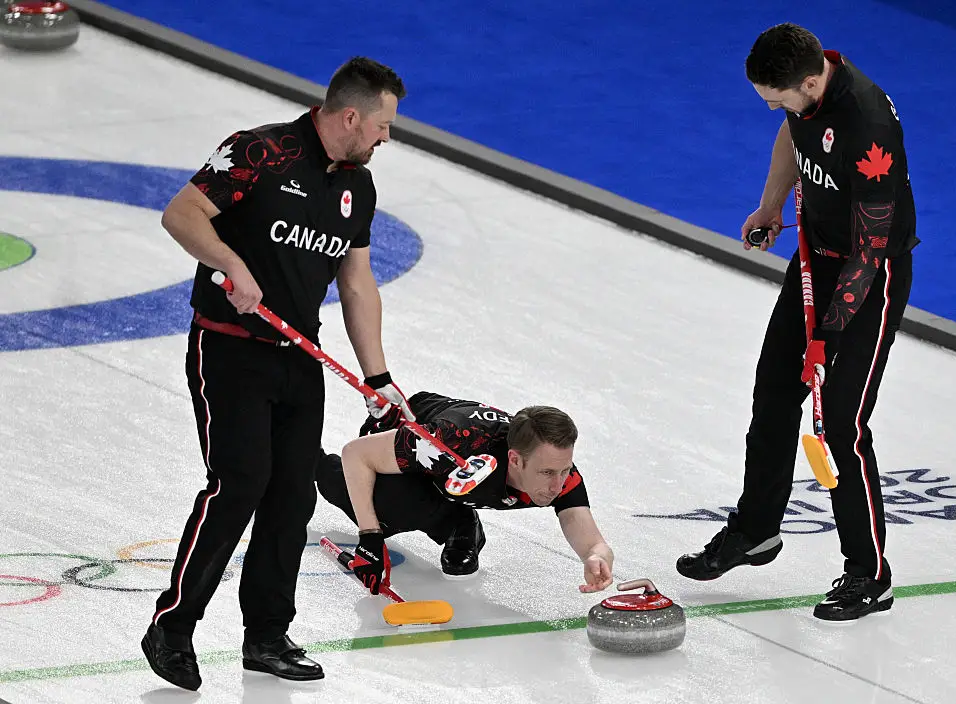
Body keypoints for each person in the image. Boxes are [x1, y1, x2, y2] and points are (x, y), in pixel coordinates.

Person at [142, 57, 416, 691]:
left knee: (291, 497)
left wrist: (378, 377)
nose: (386, 138)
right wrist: (230, 264)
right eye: (382, 126)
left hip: (300, 357)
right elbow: (182, 215)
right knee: (238, 484)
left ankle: (265, 636)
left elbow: (356, 281)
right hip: (230, 349)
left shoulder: (357, 187)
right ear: (351, 117)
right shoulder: (258, 151)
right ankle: (173, 627)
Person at [675, 23, 917, 622]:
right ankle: (756, 530)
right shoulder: (807, 93)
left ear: (810, 82)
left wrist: (827, 336)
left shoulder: (867, 127)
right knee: (774, 393)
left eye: (778, 97)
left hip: (869, 278)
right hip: (816, 259)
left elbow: (873, 252)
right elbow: (793, 134)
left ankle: (869, 573)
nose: (773, 108)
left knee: (842, 425)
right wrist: (771, 205)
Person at [315, 391, 615, 594]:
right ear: (515, 459)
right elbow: (357, 454)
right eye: (548, 473)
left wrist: (595, 558)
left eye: (564, 471)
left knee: (434, 499)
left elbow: (592, 540)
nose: (557, 485)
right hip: (400, 446)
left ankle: (460, 521)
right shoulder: (450, 442)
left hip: (450, 482)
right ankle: (313, 460)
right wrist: (370, 537)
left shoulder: (558, 470)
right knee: (389, 512)